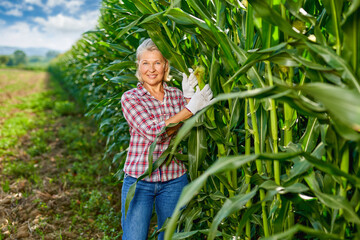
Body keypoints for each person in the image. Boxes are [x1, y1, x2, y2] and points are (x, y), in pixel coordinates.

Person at [120, 38, 213, 240]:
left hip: (174, 179)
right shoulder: (130, 98)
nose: (151, 69)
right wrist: (189, 109)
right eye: (146, 63)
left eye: (157, 63)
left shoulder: (176, 94)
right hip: (140, 179)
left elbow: (188, 129)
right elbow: (154, 133)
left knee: (172, 237)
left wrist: (189, 98)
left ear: (165, 66)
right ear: (138, 66)